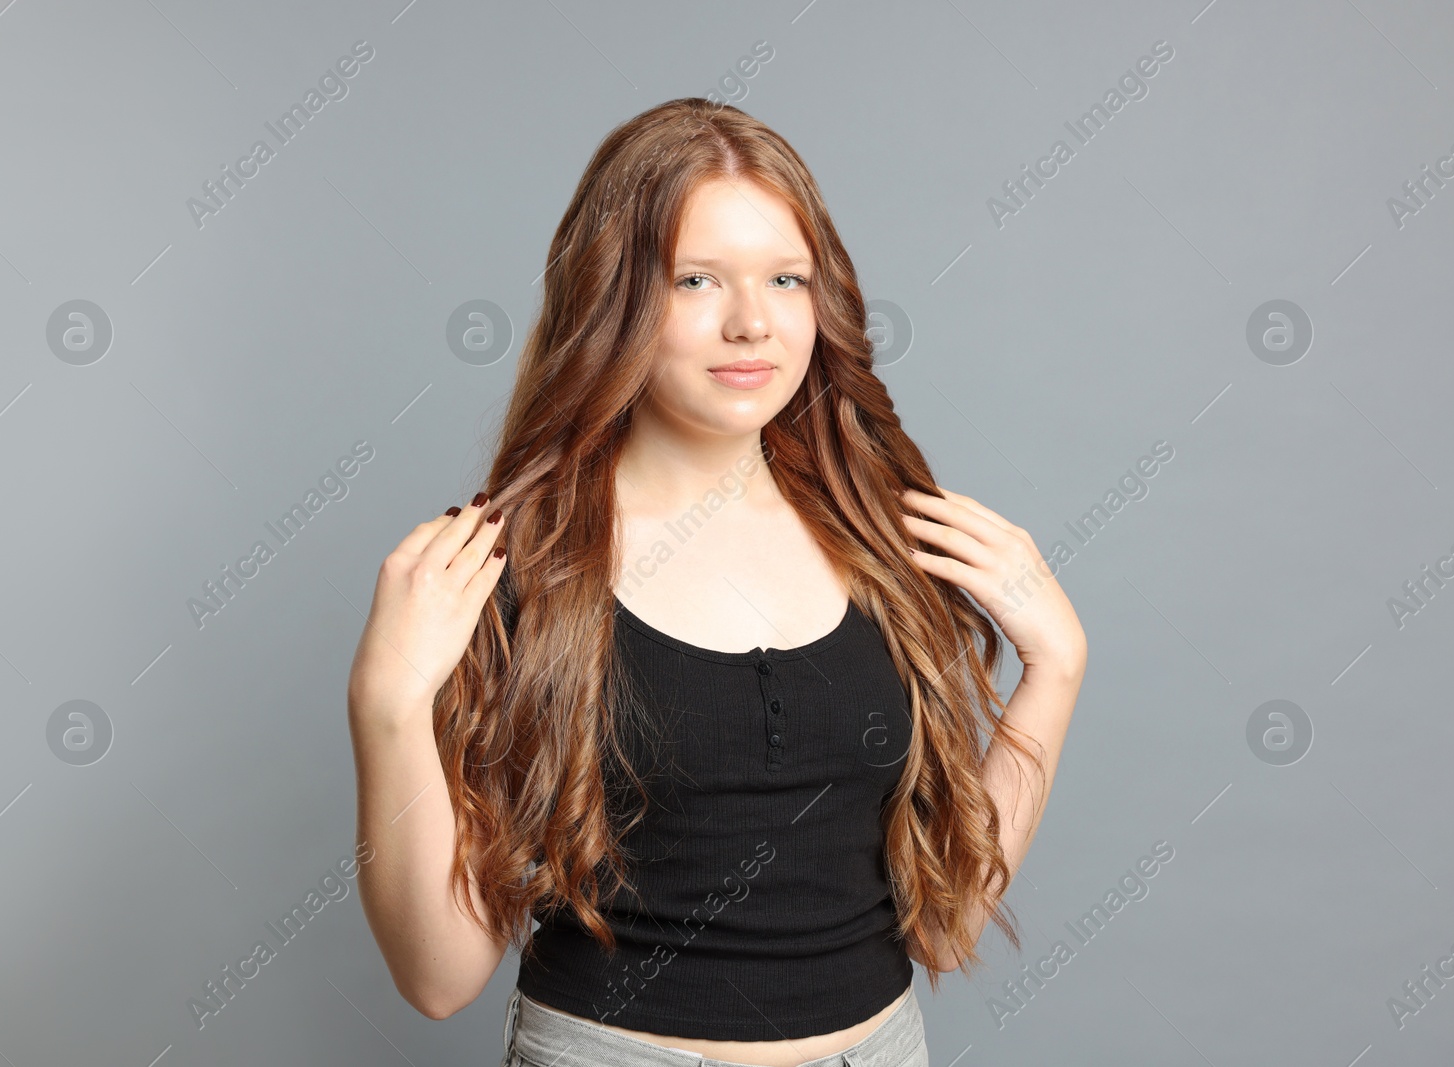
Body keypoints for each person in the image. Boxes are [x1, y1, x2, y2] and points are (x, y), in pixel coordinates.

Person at [346, 98, 1087, 1067]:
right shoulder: (504, 563)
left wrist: (1056, 667)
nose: (752, 322)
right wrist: (386, 706)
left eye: (786, 278)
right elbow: (438, 978)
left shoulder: (881, 534)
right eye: (695, 279)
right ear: (612, 298)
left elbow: (945, 925)